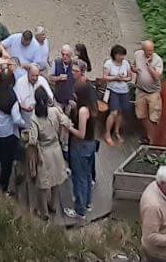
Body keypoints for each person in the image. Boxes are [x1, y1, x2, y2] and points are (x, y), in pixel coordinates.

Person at [24, 90, 71, 220]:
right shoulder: (55, 111)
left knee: (42, 184)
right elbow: (67, 123)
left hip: (44, 152)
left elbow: (33, 140)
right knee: (56, 179)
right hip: (56, 148)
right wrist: (61, 135)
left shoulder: (34, 118)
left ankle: (43, 212)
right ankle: (53, 205)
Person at [0, 67, 25, 193]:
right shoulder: (13, 98)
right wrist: (24, 124)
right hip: (7, 132)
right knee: (7, 160)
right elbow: (16, 119)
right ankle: (3, 185)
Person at [67, 69, 99, 221]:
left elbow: (81, 133)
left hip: (81, 145)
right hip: (91, 144)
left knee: (79, 176)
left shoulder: (82, 111)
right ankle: (87, 203)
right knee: (87, 175)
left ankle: (80, 211)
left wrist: (68, 127)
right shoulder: (91, 106)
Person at [132, 40, 165, 145]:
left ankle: (153, 139)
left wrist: (149, 65)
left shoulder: (157, 60)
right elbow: (133, 66)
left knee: (154, 118)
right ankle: (148, 135)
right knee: (141, 115)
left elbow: (156, 77)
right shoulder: (137, 54)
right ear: (143, 50)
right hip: (141, 90)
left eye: (152, 50)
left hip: (153, 92)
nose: (150, 53)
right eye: (148, 50)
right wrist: (134, 69)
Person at [101, 44, 133, 146]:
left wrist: (123, 79)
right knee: (113, 112)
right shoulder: (109, 63)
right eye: (120, 55)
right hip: (113, 90)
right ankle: (107, 133)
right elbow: (105, 77)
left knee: (120, 112)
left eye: (123, 55)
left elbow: (130, 77)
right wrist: (115, 78)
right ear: (115, 55)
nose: (122, 57)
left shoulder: (126, 63)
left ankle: (116, 131)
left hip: (124, 90)